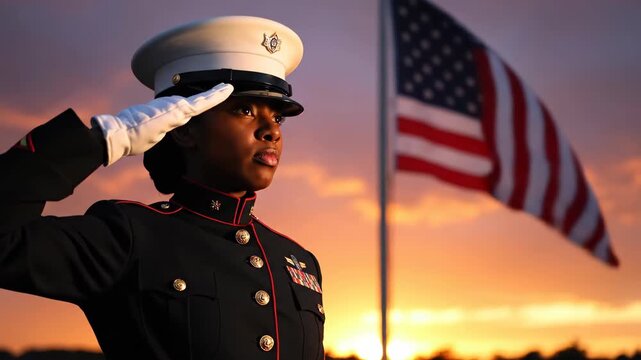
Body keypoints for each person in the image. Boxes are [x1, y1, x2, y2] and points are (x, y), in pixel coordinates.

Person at [0, 16, 325, 359]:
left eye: (277, 117)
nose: (271, 131)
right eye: (244, 109)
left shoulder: (299, 262)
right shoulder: (129, 236)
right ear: (183, 126)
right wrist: (107, 139)